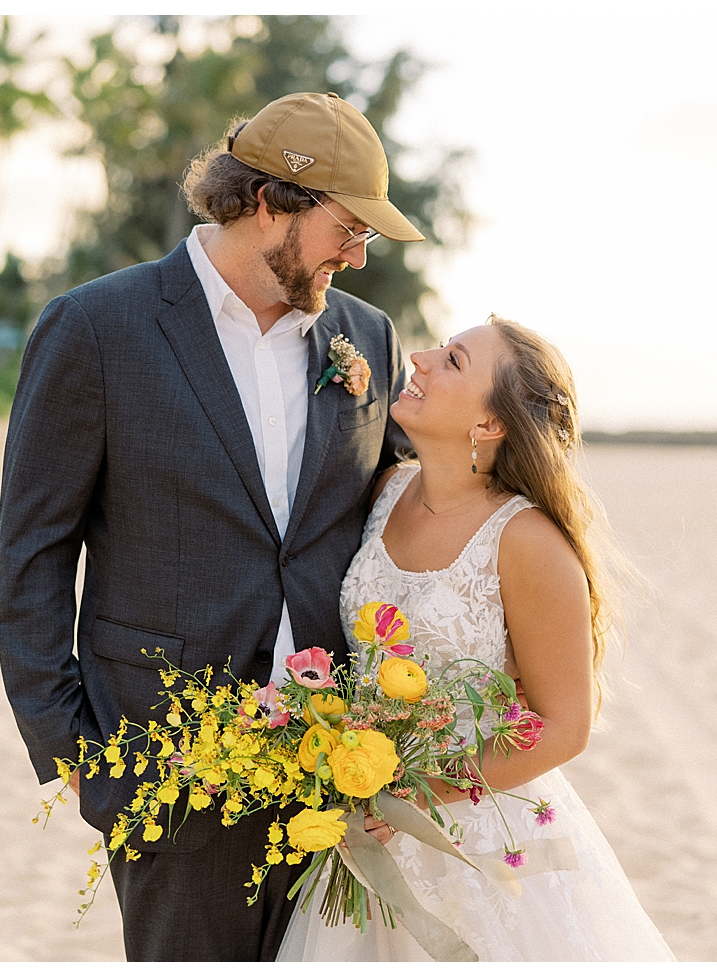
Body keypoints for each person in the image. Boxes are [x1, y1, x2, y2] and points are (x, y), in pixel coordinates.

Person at [0, 92, 421, 961]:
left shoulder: (366, 337)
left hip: (337, 765)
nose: (358, 254)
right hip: (166, 769)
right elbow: (31, 554)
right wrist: (81, 756)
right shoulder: (96, 328)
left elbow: (415, 499)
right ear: (269, 203)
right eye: (349, 226)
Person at [276, 316, 677, 961]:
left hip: (478, 836)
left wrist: (414, 792)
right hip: (365, 829)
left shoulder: (528, 543)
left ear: (489, 426)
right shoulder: (384, 491)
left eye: (454, 361)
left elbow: (565, 724)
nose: (423, 358)